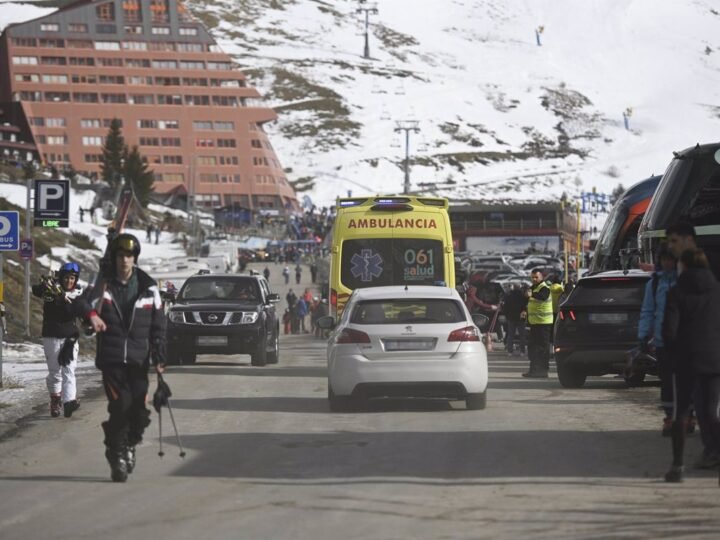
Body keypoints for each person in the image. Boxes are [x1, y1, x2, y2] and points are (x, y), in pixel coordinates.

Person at [86, 233, 167, 483]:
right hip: (111, 361)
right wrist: (91, 315)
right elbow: (80, 303)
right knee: (120, 405)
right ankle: (116, 452)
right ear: (115, 257)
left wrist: (159, 356)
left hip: (138, 361)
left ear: (135, 258)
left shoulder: (148, 287)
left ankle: (130, 444)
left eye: (129, 256)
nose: (124, 260)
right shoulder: (103, 284)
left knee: (139, 412)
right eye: (120, 255)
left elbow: (158, 326)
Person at [662, 248, 720, 482]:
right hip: (715, 360)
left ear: (683, 266)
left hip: (686, 361)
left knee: (681, 413)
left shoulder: (676, 293)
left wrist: (672, 355)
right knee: (712, 411)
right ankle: (715, 455)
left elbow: (669, 331)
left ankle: (677, 466)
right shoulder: (717, 291)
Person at [31, 262, 90, 418]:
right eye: (66, 278)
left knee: (69, 370)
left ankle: (69, 402)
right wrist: (46, 289)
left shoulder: (77, 294)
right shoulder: (51, 290)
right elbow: (36, 290)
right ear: (61, 277)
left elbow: (77, 311)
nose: (69, 281)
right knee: (55, 372)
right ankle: (55, 399)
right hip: (51, 335)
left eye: (72, 278)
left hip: (70, 337)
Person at [637, 242, 678, 436]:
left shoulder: (685, 280)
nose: (667, 262)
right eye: (664, 259)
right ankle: (670, 417)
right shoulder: (654, 284)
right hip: (663, 342)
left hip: (685, 341)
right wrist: (643, 336)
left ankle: (688, 415)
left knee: (688, 381)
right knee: (667, 382)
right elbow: (647, 311)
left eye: (671, 259)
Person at [522, 269, 553, 378]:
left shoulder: (545, 287)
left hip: (544, 324)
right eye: (532, 277)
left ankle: (543, 371)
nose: (534, 279)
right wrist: (524, 310)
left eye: (536, 277)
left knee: (543, 348)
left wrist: (532, 294)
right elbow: (527, 300)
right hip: (534, 323)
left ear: (541, 277)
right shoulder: (532, 287)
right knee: (532, 348)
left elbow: (543, 297)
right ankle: (533, 371)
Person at [502, 283, 527, 357]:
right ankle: (522, 351)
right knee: (522, 335)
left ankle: (510, 351)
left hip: (511, 317)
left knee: (510, 335)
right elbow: (525, 306)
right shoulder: (523, 296)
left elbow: (505, 307)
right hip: (521, 316)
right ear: (519, 287)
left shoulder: (508, 296)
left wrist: (507, 315)